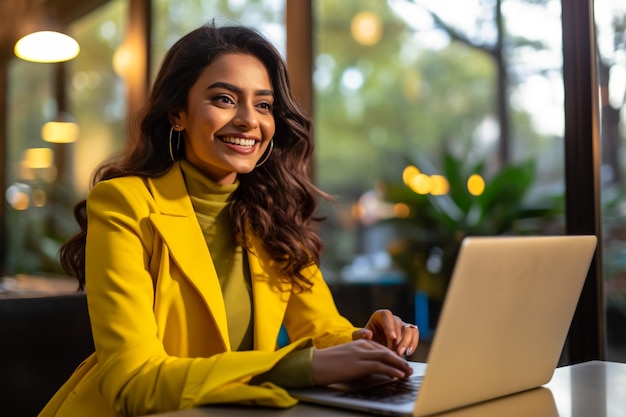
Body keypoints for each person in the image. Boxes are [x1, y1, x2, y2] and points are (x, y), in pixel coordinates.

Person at [39, 23, 419, 417]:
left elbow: (322, 330)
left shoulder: (274, 214)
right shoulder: (123, 204)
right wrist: (297, 368)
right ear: (178, 114)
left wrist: (366, 339)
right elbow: (133, 383)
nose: (249, 120)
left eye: (264, 104)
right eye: (224, 99)